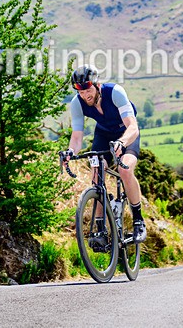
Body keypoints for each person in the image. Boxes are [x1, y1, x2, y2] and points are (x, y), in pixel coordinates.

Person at [60, 65, 146, 244]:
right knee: (97, 172)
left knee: (125, 170)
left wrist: (122, 142)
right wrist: (70, 152)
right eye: (81, 92)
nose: (85, 95)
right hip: (104, 134)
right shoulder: (77, 103)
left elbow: (133, 127)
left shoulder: (115, 92)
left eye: (88, 90)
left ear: (97, 85)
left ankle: (139, 221)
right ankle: (100, 230)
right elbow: (76, 137)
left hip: (126, 133)